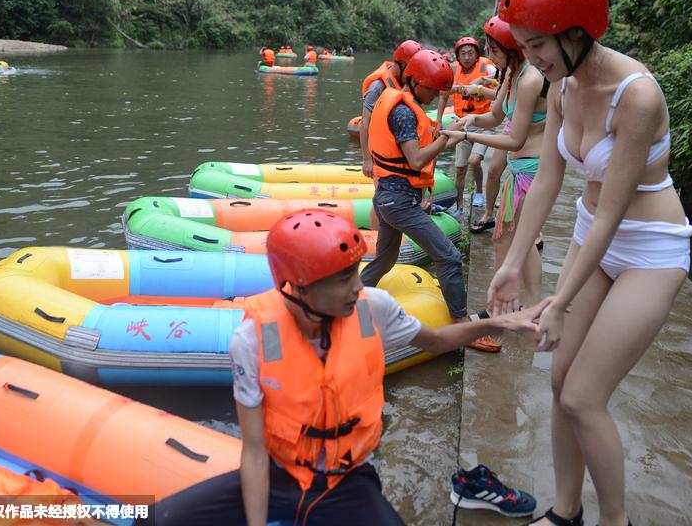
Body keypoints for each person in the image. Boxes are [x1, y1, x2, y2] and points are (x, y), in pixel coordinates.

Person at [150, 210, 539, 526]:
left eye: (355, 271)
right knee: (155, 518)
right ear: (297, 287)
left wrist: (495, 324)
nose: (357, 286)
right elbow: (253, 451)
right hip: (279, 475)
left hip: (347, 480)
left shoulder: (374, 307)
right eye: (342, 279)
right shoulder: (252, 340)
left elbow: (436, 341)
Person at [488, 0, 692, 526]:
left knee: (582, 395)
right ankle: (566, 511)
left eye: (537, 46)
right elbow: (549, 181)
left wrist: (556, 302)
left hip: (649, 247)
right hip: (591, 232)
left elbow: (611, 215)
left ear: (576, 30)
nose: (532, 59)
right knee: (558, 381)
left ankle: (615, 520)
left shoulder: (638, 96)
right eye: (524, 48)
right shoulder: (562, 86)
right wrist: (511, 262)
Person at [360, 49, 501, 353]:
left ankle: (353, 295)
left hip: (388, 196)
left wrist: (449, 136)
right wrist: (443, 141)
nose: (436, 94)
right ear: (414, 81)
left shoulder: (402, 101)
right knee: (448, 256)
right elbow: (415, 159)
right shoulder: (403, 111)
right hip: (399, 201)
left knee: (384, 259)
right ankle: (465, 327)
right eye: (432, 88)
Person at [442, 16, 548, 307]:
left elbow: (514, 139)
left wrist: (466, 136)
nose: (489, 56)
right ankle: (516, 307)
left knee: (518, 243)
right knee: (507, 242)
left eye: (494, 50)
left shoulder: (530, 79)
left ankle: (516, 309)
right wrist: (470, 120)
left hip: (533, 171)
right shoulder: (511, 74)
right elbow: (496, 117)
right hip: (517, 170)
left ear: (513, 49)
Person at [359, 39, 423, 232]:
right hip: (379, 153)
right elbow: (365, 123)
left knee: (388, 195)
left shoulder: (403, 83)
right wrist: (366, 160)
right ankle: (376, 237)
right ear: (402, 65)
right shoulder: (378, 87)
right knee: (380, 195)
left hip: (394, 151)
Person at [446, 37, 497, 216]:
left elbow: (502, 79)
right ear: (458, 56)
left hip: (484, 123)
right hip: (463, 124)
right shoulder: (452, 71)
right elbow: (442, 91)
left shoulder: (488, 68)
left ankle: (480, 193)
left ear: (477, 55)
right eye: (463, 54)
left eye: (470, 53)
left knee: (474, 160)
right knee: (460, 169)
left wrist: (482, 83)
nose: (467, 57)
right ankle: (459, 207)